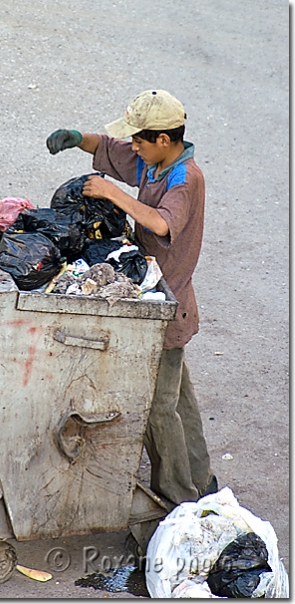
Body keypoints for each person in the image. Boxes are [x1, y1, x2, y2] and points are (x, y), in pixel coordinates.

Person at [46, 89, 217, 509]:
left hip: (167, 307)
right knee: (178, 398)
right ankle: (203, 480)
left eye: (139, 139)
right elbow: (108, 148)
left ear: (164, 139)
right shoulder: (152, 159)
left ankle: (178, 500)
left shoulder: (185, 177)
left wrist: (113, 193)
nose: (133, 146)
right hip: (156, 297)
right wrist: (74, 137)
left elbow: (160, 222)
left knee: (160, 410)